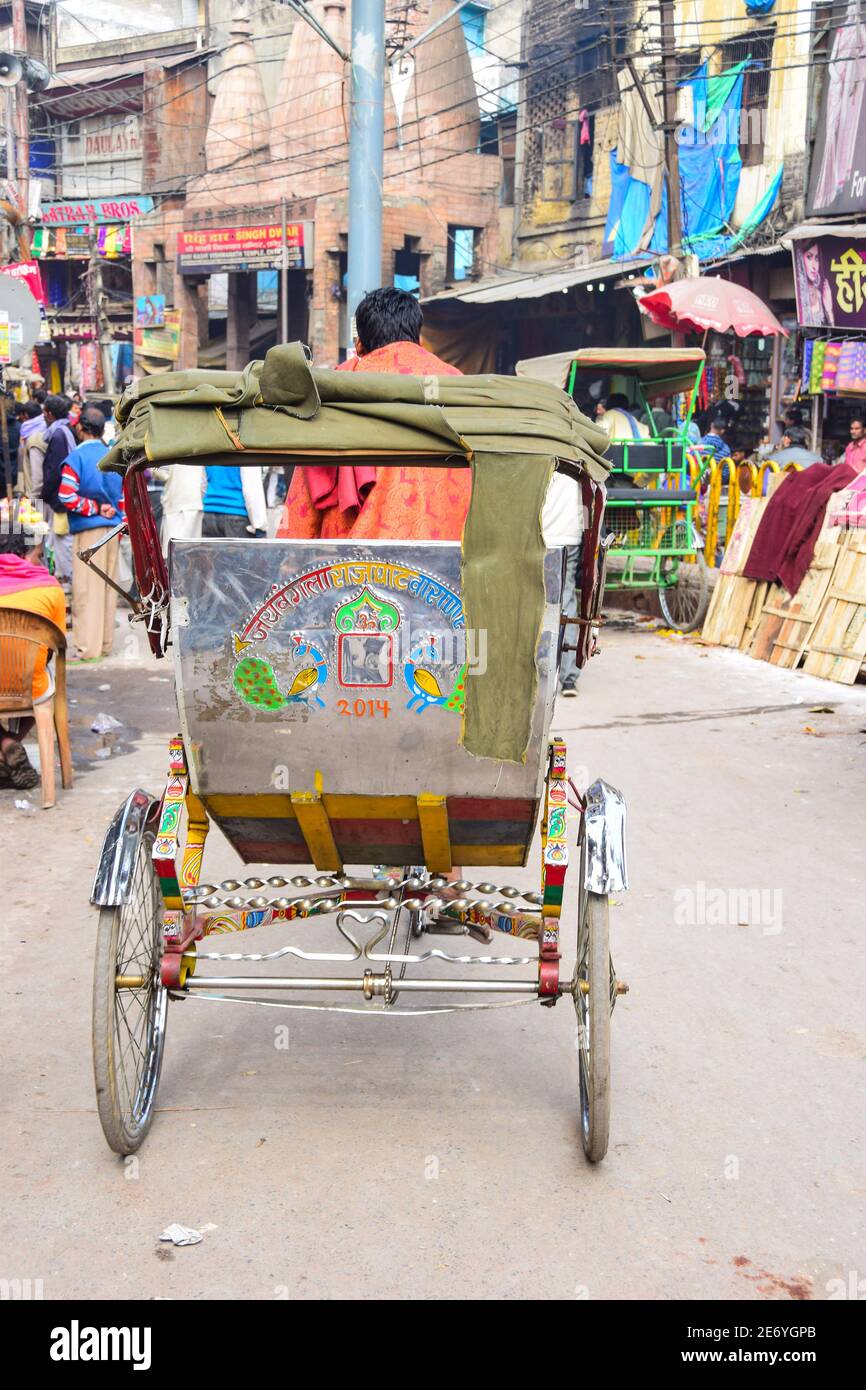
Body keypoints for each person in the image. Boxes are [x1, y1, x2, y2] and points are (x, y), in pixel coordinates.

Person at [278, 287, 470, 540]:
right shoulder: (456, 385)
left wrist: (288, 560)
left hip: (357, 565)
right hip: (443, 559)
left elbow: (302, 508)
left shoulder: (340, 386)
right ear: (418, 338)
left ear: (360, 343)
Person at [0, 529, 66, 789]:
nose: (40, 561)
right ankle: (10, 744)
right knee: (43, 680)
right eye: (38, 555)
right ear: (24, 555)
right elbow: (57, 645)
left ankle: (5, 744)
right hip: (30, 687)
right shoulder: (50, 588)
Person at [59, 404, 125, 661]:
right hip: (112, 531)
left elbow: (66, 495)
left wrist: (94, 507)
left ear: (80, 428)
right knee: (108, 587)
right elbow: (122, 498)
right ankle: (105, 644)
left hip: (88, 531)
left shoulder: (76, 457)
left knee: (86, 590)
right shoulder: (112, 455)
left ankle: (88, 648)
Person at [40, 394, 77, 582]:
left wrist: (45, 493)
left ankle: (70, 580)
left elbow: (56, 469)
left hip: (61, 498)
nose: (43, 417)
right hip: (63, 496)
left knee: (63, 541)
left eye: (45, 413)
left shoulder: (59, 434)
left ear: (50, 414)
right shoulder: (64, 430)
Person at [202, 463, 267, 539]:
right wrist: (260, 526)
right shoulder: (247, 453)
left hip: (209, 515)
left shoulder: (209, 452)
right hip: (237, 516)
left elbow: (203, 484)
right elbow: (251, 489)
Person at [157, 462, 205, 554]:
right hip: (196, 502)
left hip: (175, 504)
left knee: (173, 556)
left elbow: (161, 473)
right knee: (194, 554)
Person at [17, 401, 46, 501]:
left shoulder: (33, 440)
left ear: (26, 415)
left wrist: (33, 498)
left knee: (37, 515)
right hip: (35, 491)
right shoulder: (44, 426)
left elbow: (37, 475)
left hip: (35, 494)